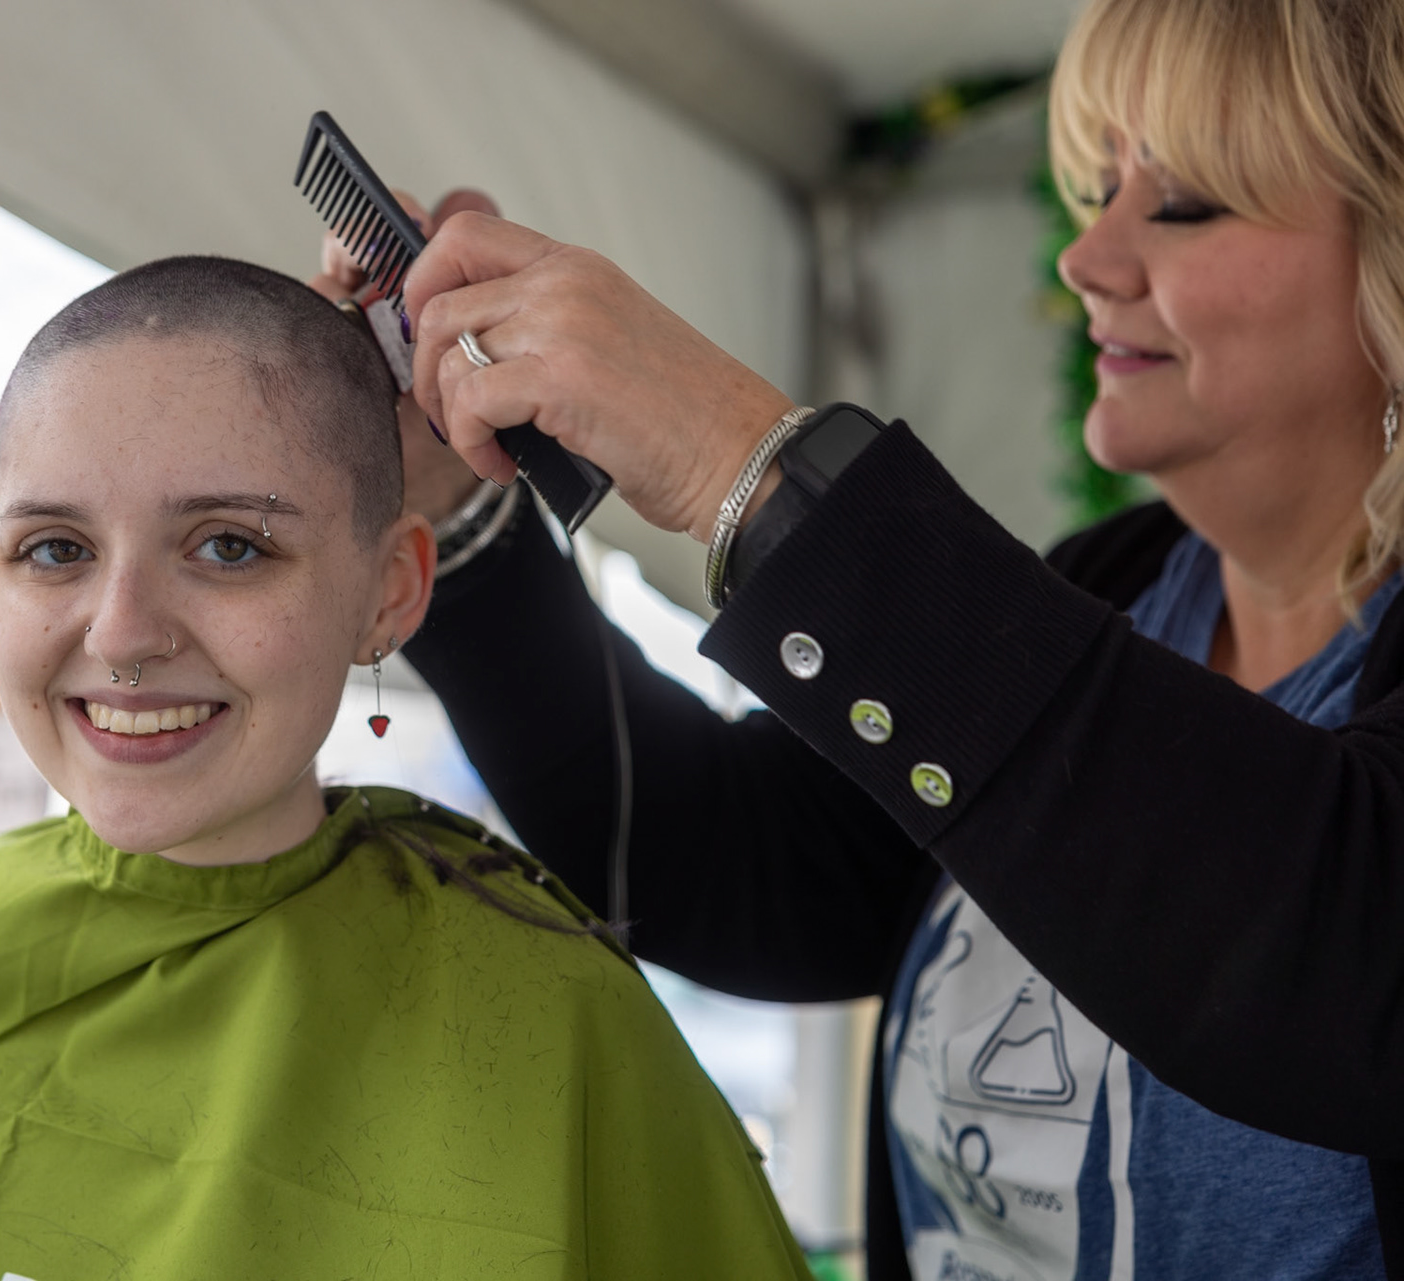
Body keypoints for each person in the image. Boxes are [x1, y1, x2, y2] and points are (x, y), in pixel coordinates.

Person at [317, 0, 1404, 1276]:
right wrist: (460, 505)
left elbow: (1339, 952)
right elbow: (741, 862)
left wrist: (747, 465)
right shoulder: (1114, 592)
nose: (1088, 257)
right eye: (1101, 188)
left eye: (1182, 203)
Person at [0, 256, 815, 1280]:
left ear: (390, 591)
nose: (121, 633)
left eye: (229, 546)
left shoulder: (558, 1034)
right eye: (55, 549)